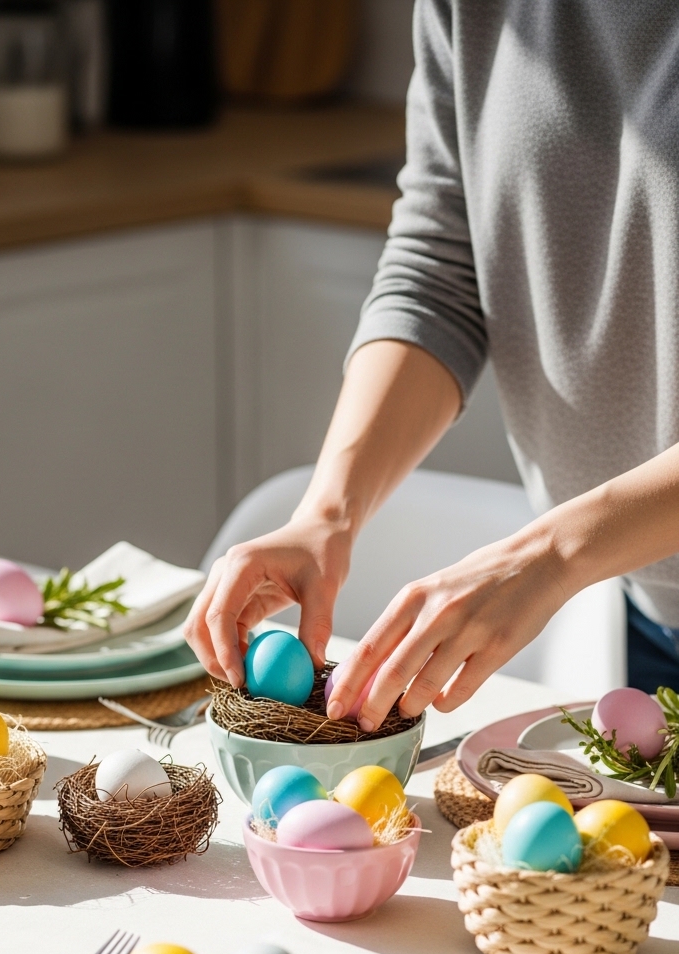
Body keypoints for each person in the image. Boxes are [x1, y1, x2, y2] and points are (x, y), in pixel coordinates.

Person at [187, 2, 679, 724]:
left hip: (594, 568)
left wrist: (552, 555)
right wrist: (328, 513)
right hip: (639, 604)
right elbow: (444, 271)